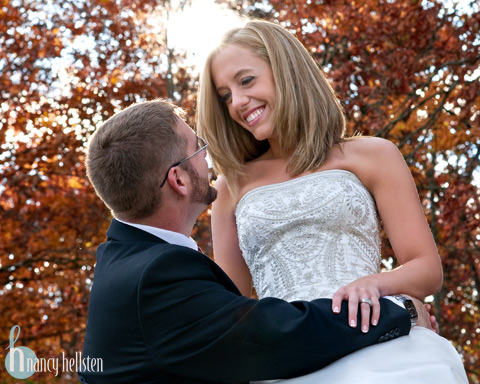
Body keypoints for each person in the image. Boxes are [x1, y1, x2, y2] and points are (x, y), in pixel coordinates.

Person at [79, 99, 434, 384]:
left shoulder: (127, 259)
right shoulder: (156, 274)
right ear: (179, 180)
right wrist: (400, 311)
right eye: (198, 149)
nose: (208, 157)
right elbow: (273, 337)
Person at [196, 19, 468, 383]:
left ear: (286, 71)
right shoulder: (232, 187)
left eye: (246, 81)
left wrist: (378, 285)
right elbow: (233, 310)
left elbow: (426, 269)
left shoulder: (373, 155)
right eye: (226, 95)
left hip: (379, 346)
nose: (238, 103)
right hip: (288, 361)